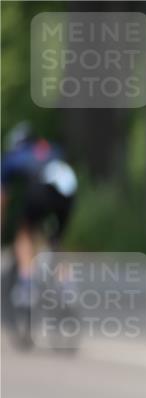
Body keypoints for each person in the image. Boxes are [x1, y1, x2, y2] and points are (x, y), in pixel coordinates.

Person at [1, 121, 78, 306]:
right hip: (69, 192)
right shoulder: (52, 149)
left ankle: (27, 283)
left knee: (25, 231)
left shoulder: (14, 156)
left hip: (41, 191)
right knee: (55, 241)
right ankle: (66, 284)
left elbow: (2, 197)